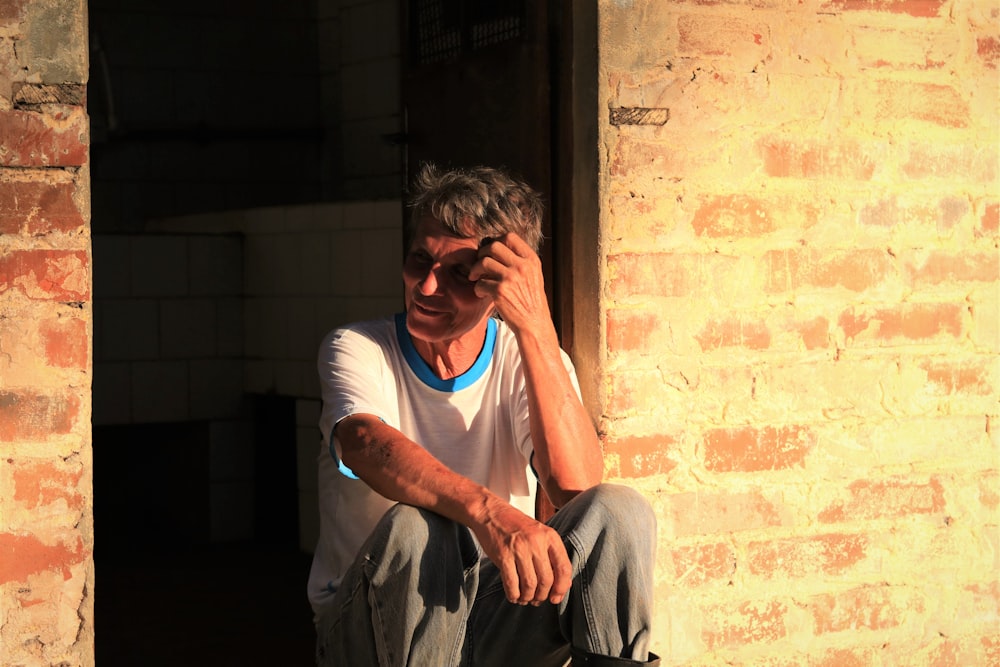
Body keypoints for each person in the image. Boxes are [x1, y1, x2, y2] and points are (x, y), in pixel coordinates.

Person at [308, 163, 660, 666]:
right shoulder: (358, 347)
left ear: (499, 283)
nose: (426, 288)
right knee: (417, 528)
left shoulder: (528, 357)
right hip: (372, 627)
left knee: (620, 509)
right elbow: (365, 442)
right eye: (419, 260)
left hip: (492, 614)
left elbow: (574, 486)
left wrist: (535, 323)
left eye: (458, 273)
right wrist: (490, 514)